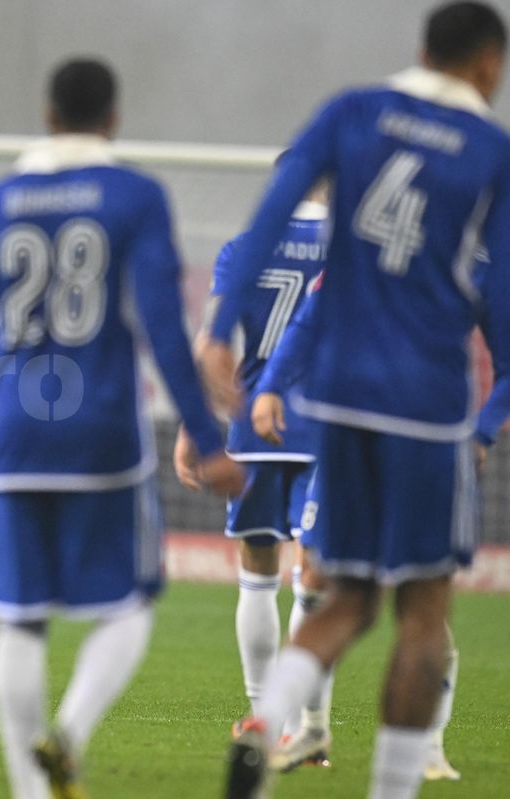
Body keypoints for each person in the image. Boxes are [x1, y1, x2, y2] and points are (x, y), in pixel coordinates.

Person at [199, 3, 510, 797]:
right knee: (422, 613)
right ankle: (396, 786)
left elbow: (272, 215)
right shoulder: (490, 152)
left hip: (335, 399)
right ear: (488, 67)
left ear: (420, 50)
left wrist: (221, 337)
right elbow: (498, 306)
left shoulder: (351, 110)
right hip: (425, 404)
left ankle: (268, 726)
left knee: (344, 596)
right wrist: (483, 420)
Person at [0, 57, 245, 799]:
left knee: (19, 620)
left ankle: (28, 789)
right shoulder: (135, 195)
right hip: (100, 433)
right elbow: (162, 324)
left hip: (13, 429)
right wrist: (208, 439)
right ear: (113, 119)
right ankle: (70, 734)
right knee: (131, 601)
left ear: (47, 116)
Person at [174, 179, 328, 761]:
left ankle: (265, 714)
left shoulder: (245, 247)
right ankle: (310, 725)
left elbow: (212, 342)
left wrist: (196, 425)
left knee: (256, 573)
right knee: (314, 578)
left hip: (251, 426)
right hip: (324, 427)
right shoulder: (351, 248)